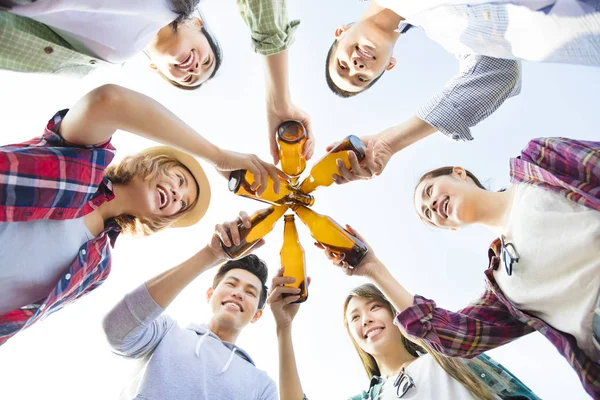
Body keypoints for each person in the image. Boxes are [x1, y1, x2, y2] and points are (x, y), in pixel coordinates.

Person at [0, 83, 283, 346]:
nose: (177, 195)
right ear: (151, 163)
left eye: (182, 204)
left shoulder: (98, 267)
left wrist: (214, 253)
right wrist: (216, 156)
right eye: (180, 180)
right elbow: (110, 100)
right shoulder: (81, 157)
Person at [320, 137, 600, 397]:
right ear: (451, 227)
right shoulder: (502, 285)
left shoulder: (538, 164)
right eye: (427, 213)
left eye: (429, 192)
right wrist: (372, 268)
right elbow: (455, 337)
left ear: (458, 172)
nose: (431, 205)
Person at [324, 0, 599, 185]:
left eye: (342, 65)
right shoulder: (450, 32)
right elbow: (498, 73)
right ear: (390, 65)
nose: (356, 66)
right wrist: (389, 142)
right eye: (361, 77)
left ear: (342, 31)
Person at [0, 0, 314, 159]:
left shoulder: (92, 60)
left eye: (189, 77)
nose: (195, 68)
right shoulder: (176, 5)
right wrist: (279, 101)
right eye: (206, 59)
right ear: (198, 24)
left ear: (157, 70)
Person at [102, 212, 301, 399]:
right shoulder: (165, 333)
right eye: (231, 284)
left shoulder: (261, 385)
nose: (238, 293)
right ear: (210, 294)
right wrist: (210, 254)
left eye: (250, 292)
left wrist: (284, 328)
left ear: (257, 315)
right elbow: (117, 330)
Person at [267, 269, 539, 399]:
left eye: (374, 307)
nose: (367, 319)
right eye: (355, 317)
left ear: (395, 315)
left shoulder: (450, 354)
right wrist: (283, 327)